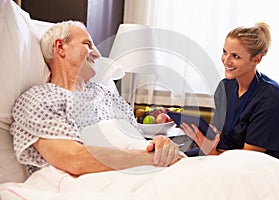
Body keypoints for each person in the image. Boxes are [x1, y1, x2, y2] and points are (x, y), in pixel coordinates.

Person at [10, 20, 183, 176]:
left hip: (152, 173)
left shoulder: (108, 96)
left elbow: (136, 143)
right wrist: (153, 159)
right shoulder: (38, 99)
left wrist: (161, 147)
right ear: (61, 47)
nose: (97, 54)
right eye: (87, 44)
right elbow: (75, 160)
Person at [181, 22, 279, 167]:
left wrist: (210, 151)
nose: (226, 61)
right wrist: (207, 135)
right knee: (175, 159)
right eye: (225, 52)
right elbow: (218, 134)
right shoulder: (225, 86)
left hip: (265, 172)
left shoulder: (273, 100)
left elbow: (247, 161)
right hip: (225, 158)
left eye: (236, 56)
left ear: (257, 59)